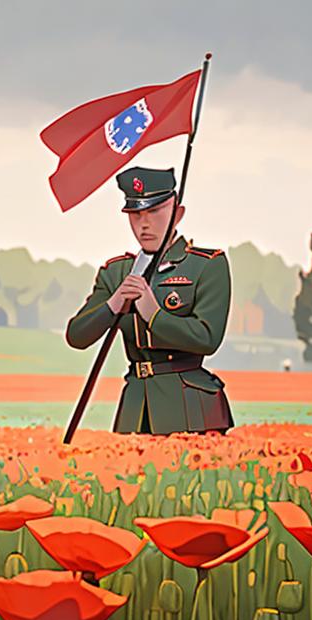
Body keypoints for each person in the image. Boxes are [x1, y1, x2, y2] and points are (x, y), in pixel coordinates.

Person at [65, 166, 235, 435]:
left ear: (177, 214)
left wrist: (153, 314)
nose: (144, 224)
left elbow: (208, 338)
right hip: (135, 407)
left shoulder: (205, 265)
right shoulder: (117, 272)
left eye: (154, 212)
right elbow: (77, 335)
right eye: (136, 214)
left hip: (191, 408)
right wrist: (113, 304)